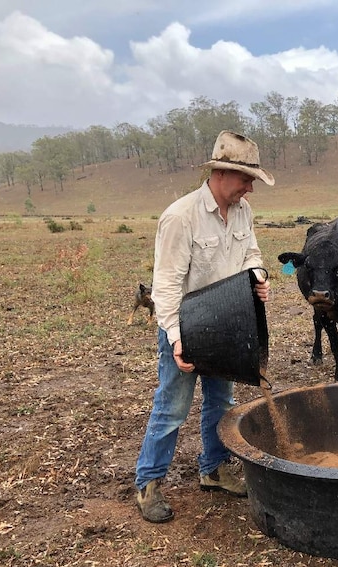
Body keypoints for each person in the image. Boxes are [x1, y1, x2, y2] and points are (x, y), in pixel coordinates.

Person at [134, 130, 274, 523]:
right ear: (222, 173)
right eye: (246, 179)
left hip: (227, 324)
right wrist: (176, 339)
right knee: (172, 407)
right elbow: (165, 286)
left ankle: (213, 469)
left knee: (221, 402)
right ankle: (148, 483)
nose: (250, 188)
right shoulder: (181, 217)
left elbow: (251, 253)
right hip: (184, 325)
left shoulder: (242, 211)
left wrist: (258, 277)